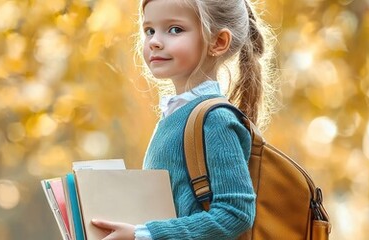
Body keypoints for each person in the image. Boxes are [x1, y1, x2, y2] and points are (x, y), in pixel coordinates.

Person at [91, 0, 275, 239]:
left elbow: (235, 212)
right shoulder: (175, 115)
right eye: (149, 30)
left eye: (175, 29)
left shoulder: (215, 119)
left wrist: (144, 234)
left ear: (218, 42)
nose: (155, 41)